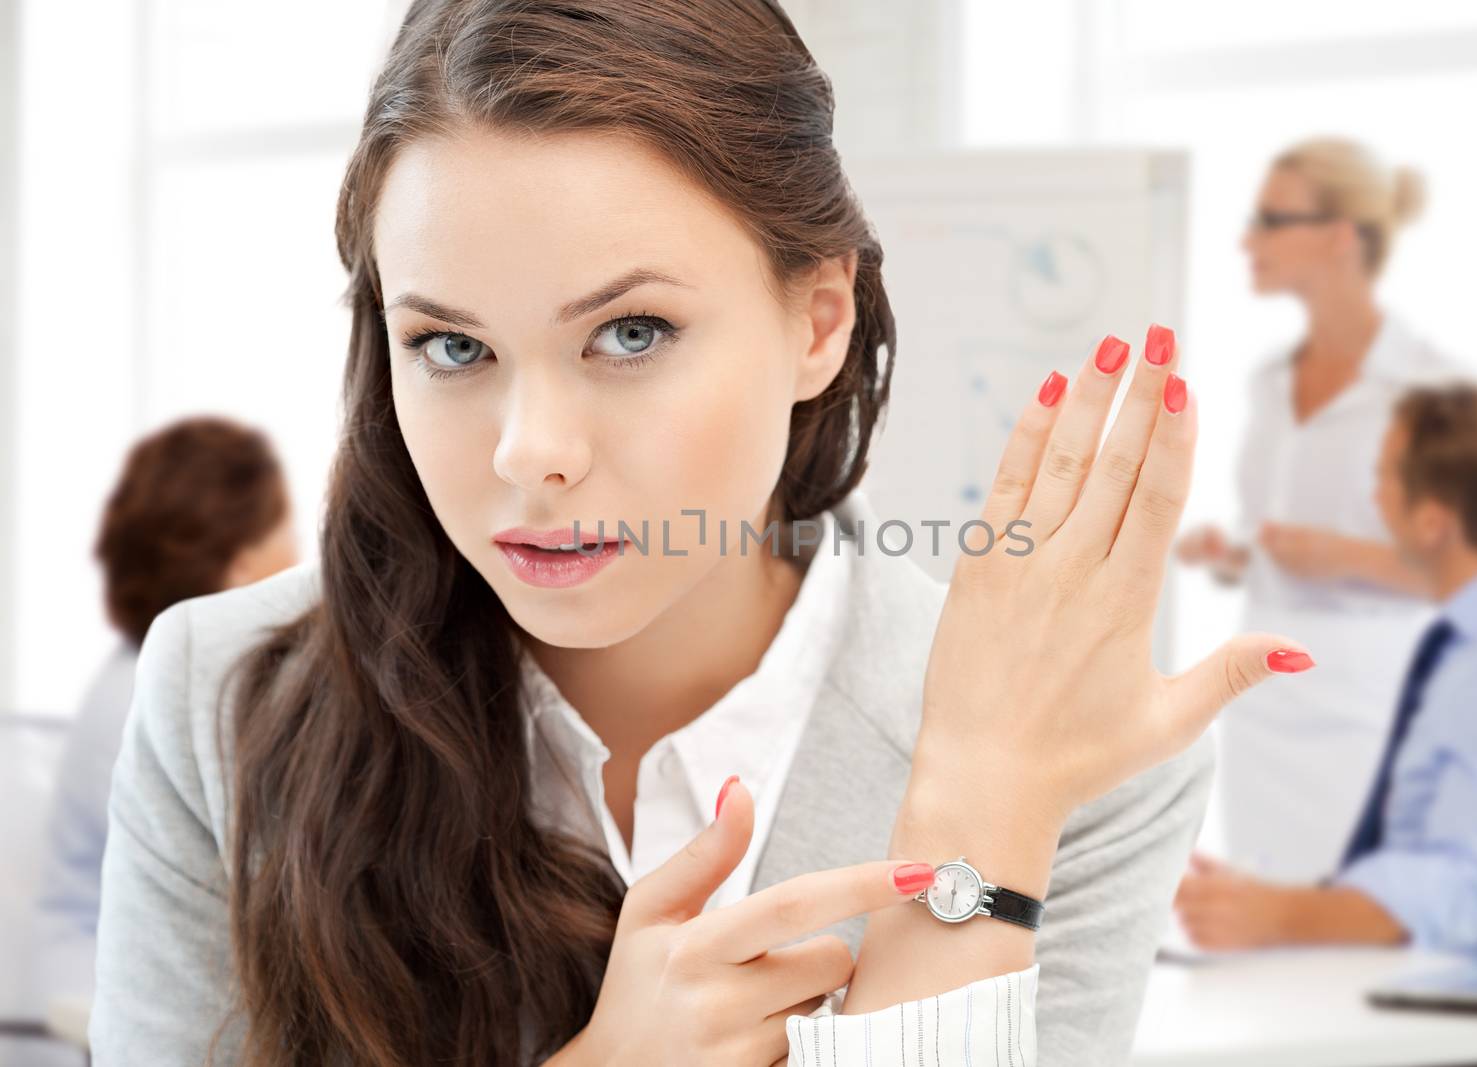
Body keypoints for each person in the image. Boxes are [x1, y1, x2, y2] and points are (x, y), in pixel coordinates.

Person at [88, 3, 1316, 1065]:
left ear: (817, 318)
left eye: (630, 333)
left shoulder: (1062, 757)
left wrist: (974, 803)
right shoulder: (227, 698)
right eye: (452, 346)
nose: (529, 449)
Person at [1175, 383, 1477, 955]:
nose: (1374, 500)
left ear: (1431, 522)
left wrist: (1280, 915)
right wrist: (1264, 903)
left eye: (1382, 479)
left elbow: (1467, 887)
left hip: (1446, 1014)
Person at [1174, 136, 1468, 881]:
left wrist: (1339, 555)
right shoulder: (1270, 381)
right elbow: (1280, 531)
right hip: (1266, 706)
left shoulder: (1429, 388)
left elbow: (1469, 572)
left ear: (1342, 238)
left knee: (1351, 936)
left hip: (1375, 713)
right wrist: (1237, 552)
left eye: (1273, 220)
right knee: (1263, 935)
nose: (1249, 240)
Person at [32, 416, 298, 1005]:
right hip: (118, 997)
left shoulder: (143, 671)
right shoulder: (161, 692)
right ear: (240, 561)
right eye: (283, 528)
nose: (298, 554)